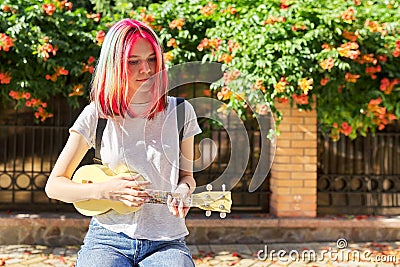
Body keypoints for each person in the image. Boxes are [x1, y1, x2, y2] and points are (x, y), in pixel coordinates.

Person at [45, 19, 201, 267]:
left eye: (152, 59)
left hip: (166, 241)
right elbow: (54, 186)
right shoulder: (96, 115)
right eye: (133, 62)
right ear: (114, 64)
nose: (147, 69)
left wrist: (183, 191)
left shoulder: (181, 112)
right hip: (107, 239)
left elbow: (187, 177)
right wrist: (104, 191)